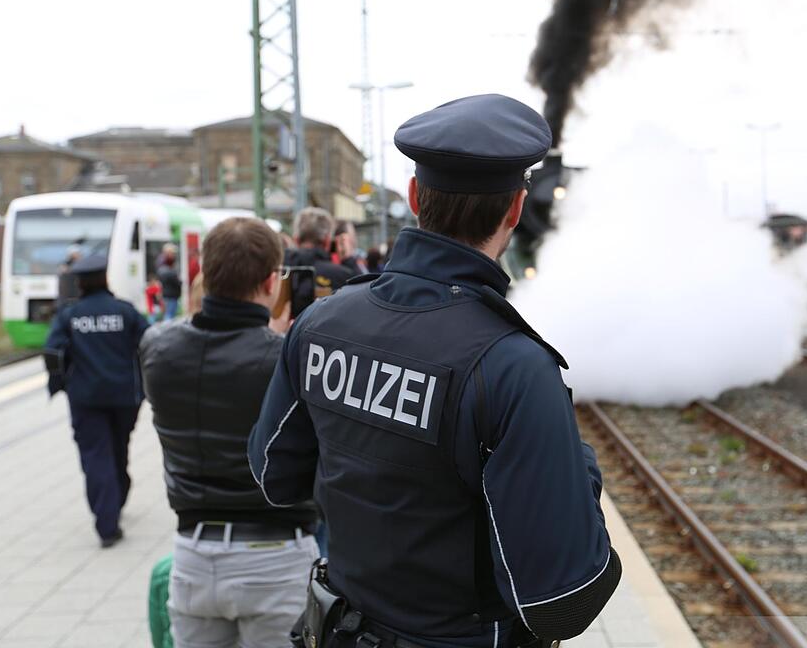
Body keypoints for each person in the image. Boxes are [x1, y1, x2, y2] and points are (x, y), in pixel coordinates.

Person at [248, 94, 619, 648]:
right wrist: (578, 467)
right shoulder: (513, 366)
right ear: (514, 210)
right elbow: (562, 604)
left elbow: (274, 475)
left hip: (343, 629)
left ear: (416, 196)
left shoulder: (321, 323)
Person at [141, 217, 318, 648]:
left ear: (205, 272)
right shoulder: (288, 358)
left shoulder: (157, 347)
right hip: (276, 556)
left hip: (193, 556)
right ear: (272, 281)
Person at [44, 254, 147, 548]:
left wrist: (59, 385)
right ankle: (116, 498)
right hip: (125, 397)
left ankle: (107, 523)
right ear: (106, 278)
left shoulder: (69, 316)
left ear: (78, 282)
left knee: (96, 457)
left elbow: (53, 354)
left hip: (86, 398)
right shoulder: (125, 312)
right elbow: (149, 343)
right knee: (118, 449)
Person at [283, 207, 354, 318]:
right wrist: (349, 260)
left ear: (296, 240)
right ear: (327, 241)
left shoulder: (279, 271)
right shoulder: (343, 275)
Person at [156, 246, 183, 320]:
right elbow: (178, 283)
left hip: (165, 295)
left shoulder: (161, 270)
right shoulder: (171, 272)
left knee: (167, 314)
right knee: (170, 315)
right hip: (172, 295)